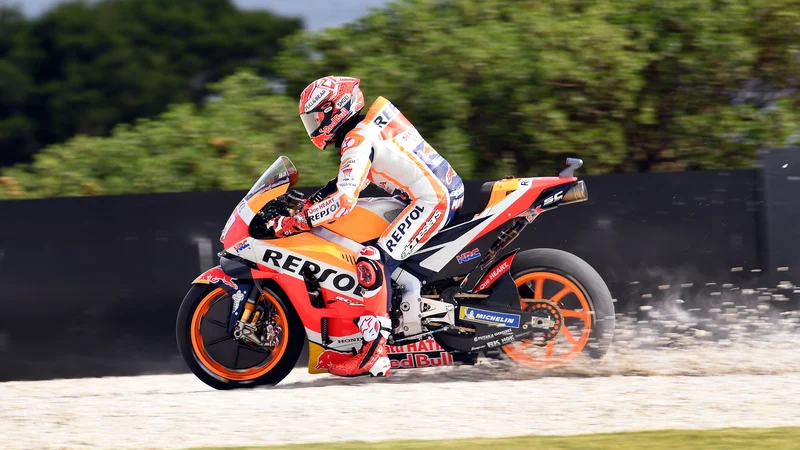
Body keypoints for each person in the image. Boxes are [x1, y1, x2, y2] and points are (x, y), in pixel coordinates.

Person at [267, 76, 464, 377]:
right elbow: (345, 180)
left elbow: (344, 199)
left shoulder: (356, 139)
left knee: (371, 260)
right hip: (437, 193)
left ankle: (375, 350)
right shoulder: (365, 128)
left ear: (335, 109)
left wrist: (299, 221)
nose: (313, 127)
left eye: (315, 118)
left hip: (432, 200)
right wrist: (310, 203)